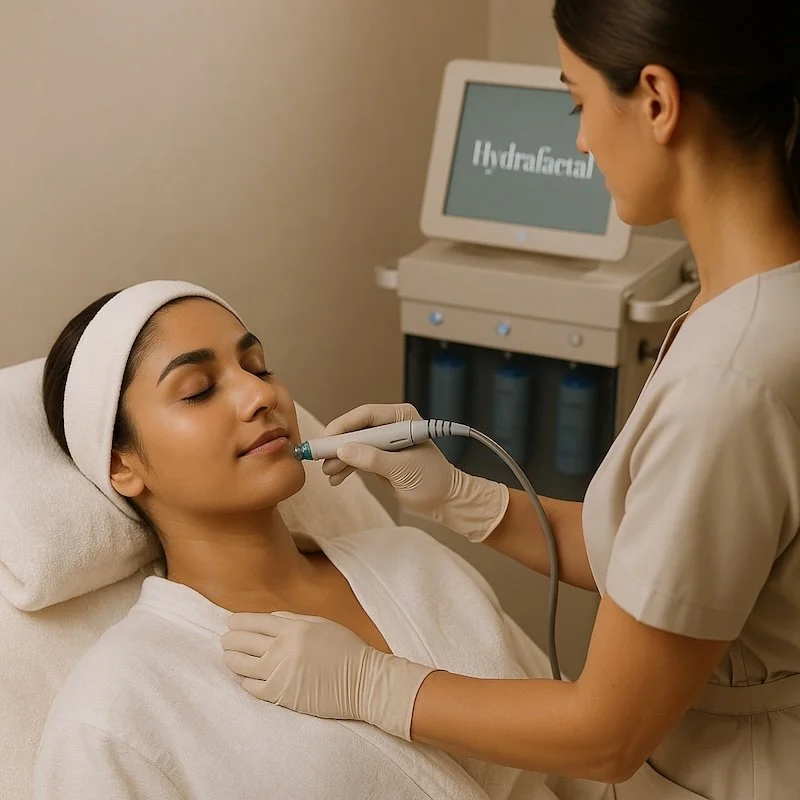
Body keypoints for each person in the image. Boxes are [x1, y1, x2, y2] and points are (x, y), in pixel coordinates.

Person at [220, 1, 800, 798]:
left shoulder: (730, 384)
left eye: (578, 102)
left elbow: (607, 734)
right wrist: (467, 501)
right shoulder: (749, 308)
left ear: (658, 100)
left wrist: (372, 684)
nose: (582, 138)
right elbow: (675, 564)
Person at [34, 280, 594, 800]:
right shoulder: (115, 715)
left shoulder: (413, 560)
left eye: (258, 366)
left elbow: (591, 750)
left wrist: (472, 499)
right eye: (200, 390)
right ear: (121, 465)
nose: (260, 395)